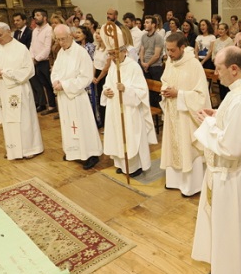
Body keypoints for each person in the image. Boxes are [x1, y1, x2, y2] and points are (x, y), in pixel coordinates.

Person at [192, 46, 241, 274]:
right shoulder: (239, 91)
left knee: (230, 228)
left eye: (219, 68)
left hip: (230, 176)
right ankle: (225, 268)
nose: (215, 73)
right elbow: (231, 125)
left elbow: (231, 147)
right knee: (225, 227)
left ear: (234, 69)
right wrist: (215, 116)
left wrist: (205, 127)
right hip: (225, 174)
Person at [160, 32, 211, 197]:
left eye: (173, 50)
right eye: (167, 50)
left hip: (187, 117)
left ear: (183, 47)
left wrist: (179, 94)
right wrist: (165, 89)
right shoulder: (170, 61)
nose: (169, 54)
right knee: (173, 145)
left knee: (187, 147)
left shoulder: (194, 65)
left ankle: (190, 186)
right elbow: (165, 79)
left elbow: (201, 95)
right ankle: (174, 181)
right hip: (172, 112)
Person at [0, 22, 43, 160]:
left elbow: (28, 70)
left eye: (0, 35)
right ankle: (13, 149)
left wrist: (5, 73)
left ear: (8, 32)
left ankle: (29, 148)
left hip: (18, 89)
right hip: (3, 90)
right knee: (8, 121)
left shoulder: (20, 48)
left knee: (24, 120)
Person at [51, 24, 103, 170]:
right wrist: (55, 81)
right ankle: (72, 151)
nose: (61, 43)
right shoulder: (61, 52)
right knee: (68, 125)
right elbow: (55, 71)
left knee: (82, 126)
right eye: (58, 40)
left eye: (63, 39)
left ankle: (91, 154)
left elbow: (86, 77)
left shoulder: (80, 53)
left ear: (70, 36)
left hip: (77, 97)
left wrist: (65, 85)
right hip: (63, 97)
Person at [101, 44, 157, 177]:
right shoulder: (113, 66)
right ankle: (121, 164)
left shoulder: (133, 66)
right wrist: (106, 91)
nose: (112, 57)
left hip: (129, 110)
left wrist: (126, 89)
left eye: (114, 53)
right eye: (110, 54)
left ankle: (134, 167)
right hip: (115, 108)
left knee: (131, 136)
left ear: (124, 51)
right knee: (117, 136)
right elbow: (107, 83)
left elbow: (142, 91)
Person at [30, 8, 57, 115]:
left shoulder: (49, 30)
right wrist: (31, 57)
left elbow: (47, 48)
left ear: (44, 17)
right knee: (45, 85)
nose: (35, 17)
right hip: (36, 62)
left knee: (51, 84)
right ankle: (51, 106)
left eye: (38, 15)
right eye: (34, 15)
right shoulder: (35, 30)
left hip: (45, 61)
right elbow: (32, 46)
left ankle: (55, 105)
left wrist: (36, 59)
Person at [139, 15, 164, 107]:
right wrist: (142, 62)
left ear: (153, 25)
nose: (144, 24)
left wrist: (148, 64)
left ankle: (157, 109)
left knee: (156, 91)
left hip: (155, 66)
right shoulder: (144, 37)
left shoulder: (158, 37)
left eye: (147, 22)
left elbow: (157, 55)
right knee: (147, 89)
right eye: (145, 22)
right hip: (145, 65)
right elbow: (142, 50)